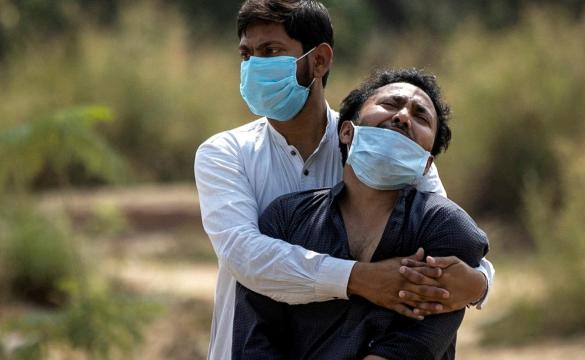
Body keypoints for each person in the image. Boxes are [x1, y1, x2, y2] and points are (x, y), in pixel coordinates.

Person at [194, 1, 494, 359]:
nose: (254, 66)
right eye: (247, 55)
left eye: (270, 52)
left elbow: (449, 237)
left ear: (319, 60)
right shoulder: (226, 154)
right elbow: (244, 256)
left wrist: (480, 284)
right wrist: (362, 279)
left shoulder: (383, 146)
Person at [233, 68, 488, 359]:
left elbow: (417, 343)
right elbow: (255, 337)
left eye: (421, 117)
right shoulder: (286, 218)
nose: (403, 117)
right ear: (346, 131)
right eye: (390, 104)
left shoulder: (445, 227)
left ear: (427, 164)